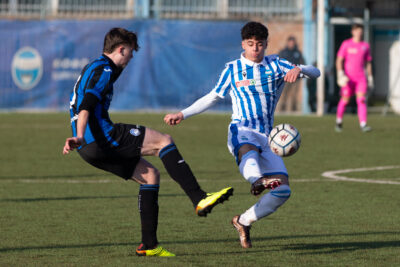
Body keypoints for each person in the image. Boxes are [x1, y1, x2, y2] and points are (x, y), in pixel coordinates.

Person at [62, 28, 233, 257]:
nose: (131, 58)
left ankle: (149, 245)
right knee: (164, 141)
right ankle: (199, 198)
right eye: (130, 52)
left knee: (151, 176)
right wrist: (80, 135)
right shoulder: (103, 69)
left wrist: (80, 139)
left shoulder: (96, 67)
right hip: (100, 137)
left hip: (88, 149)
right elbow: (86, 104)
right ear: (121, 49)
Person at [164, 22, 320, 248]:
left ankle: (243, 221)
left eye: (259, 44)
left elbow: (316, 72)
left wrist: (300, 69)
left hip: (268, 136)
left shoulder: (276, 64)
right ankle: (256, 180)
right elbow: (213, 96)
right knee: (248, 151)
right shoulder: (233, 69)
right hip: (241, 129)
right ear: (243, 45)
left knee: (283, 191)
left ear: (266, 44)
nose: (255, 49)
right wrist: (183, 113)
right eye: (250, 44)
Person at [335, 23, 373, 132]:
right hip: (348, 79)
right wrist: (340, 74)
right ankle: (339, 122)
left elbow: (368, 63)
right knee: (345, 100)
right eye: (357, 31)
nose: (359, 33)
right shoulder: (346, 44)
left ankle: (363, 124)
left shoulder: (365, 46)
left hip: (361, 78)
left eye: (361, 31)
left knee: (361, 100)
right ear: (353, 32)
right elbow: (339, 60)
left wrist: (370, 77)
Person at [277, 36, 305, 112]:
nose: (291, 44)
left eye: (293, 43)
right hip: (285, 78)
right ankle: (282, 110)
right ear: (288, 43)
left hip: (296, 78)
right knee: (284, 94)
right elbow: (278, 64)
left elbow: (302, 64)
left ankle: (294, 110)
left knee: (294, 95)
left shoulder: (298, 53)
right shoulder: (283, 52)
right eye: (290, 42)